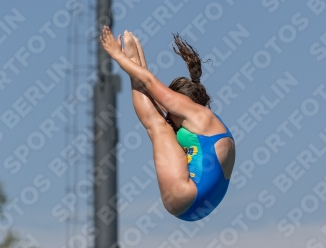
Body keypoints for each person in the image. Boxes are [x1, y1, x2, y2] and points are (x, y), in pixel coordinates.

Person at [100, 26, 235, 221]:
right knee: (159, 124)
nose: (169, 118)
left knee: (158, 127)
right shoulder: (207, 123)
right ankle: (134, 63)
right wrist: (138, 65)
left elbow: (149, 84)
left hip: (185, 196)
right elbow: (151, 94)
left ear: (180, 102)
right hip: (199, 205)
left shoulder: (193, 113)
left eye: (170, 113)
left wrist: (116, 54)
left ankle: (132, 63)